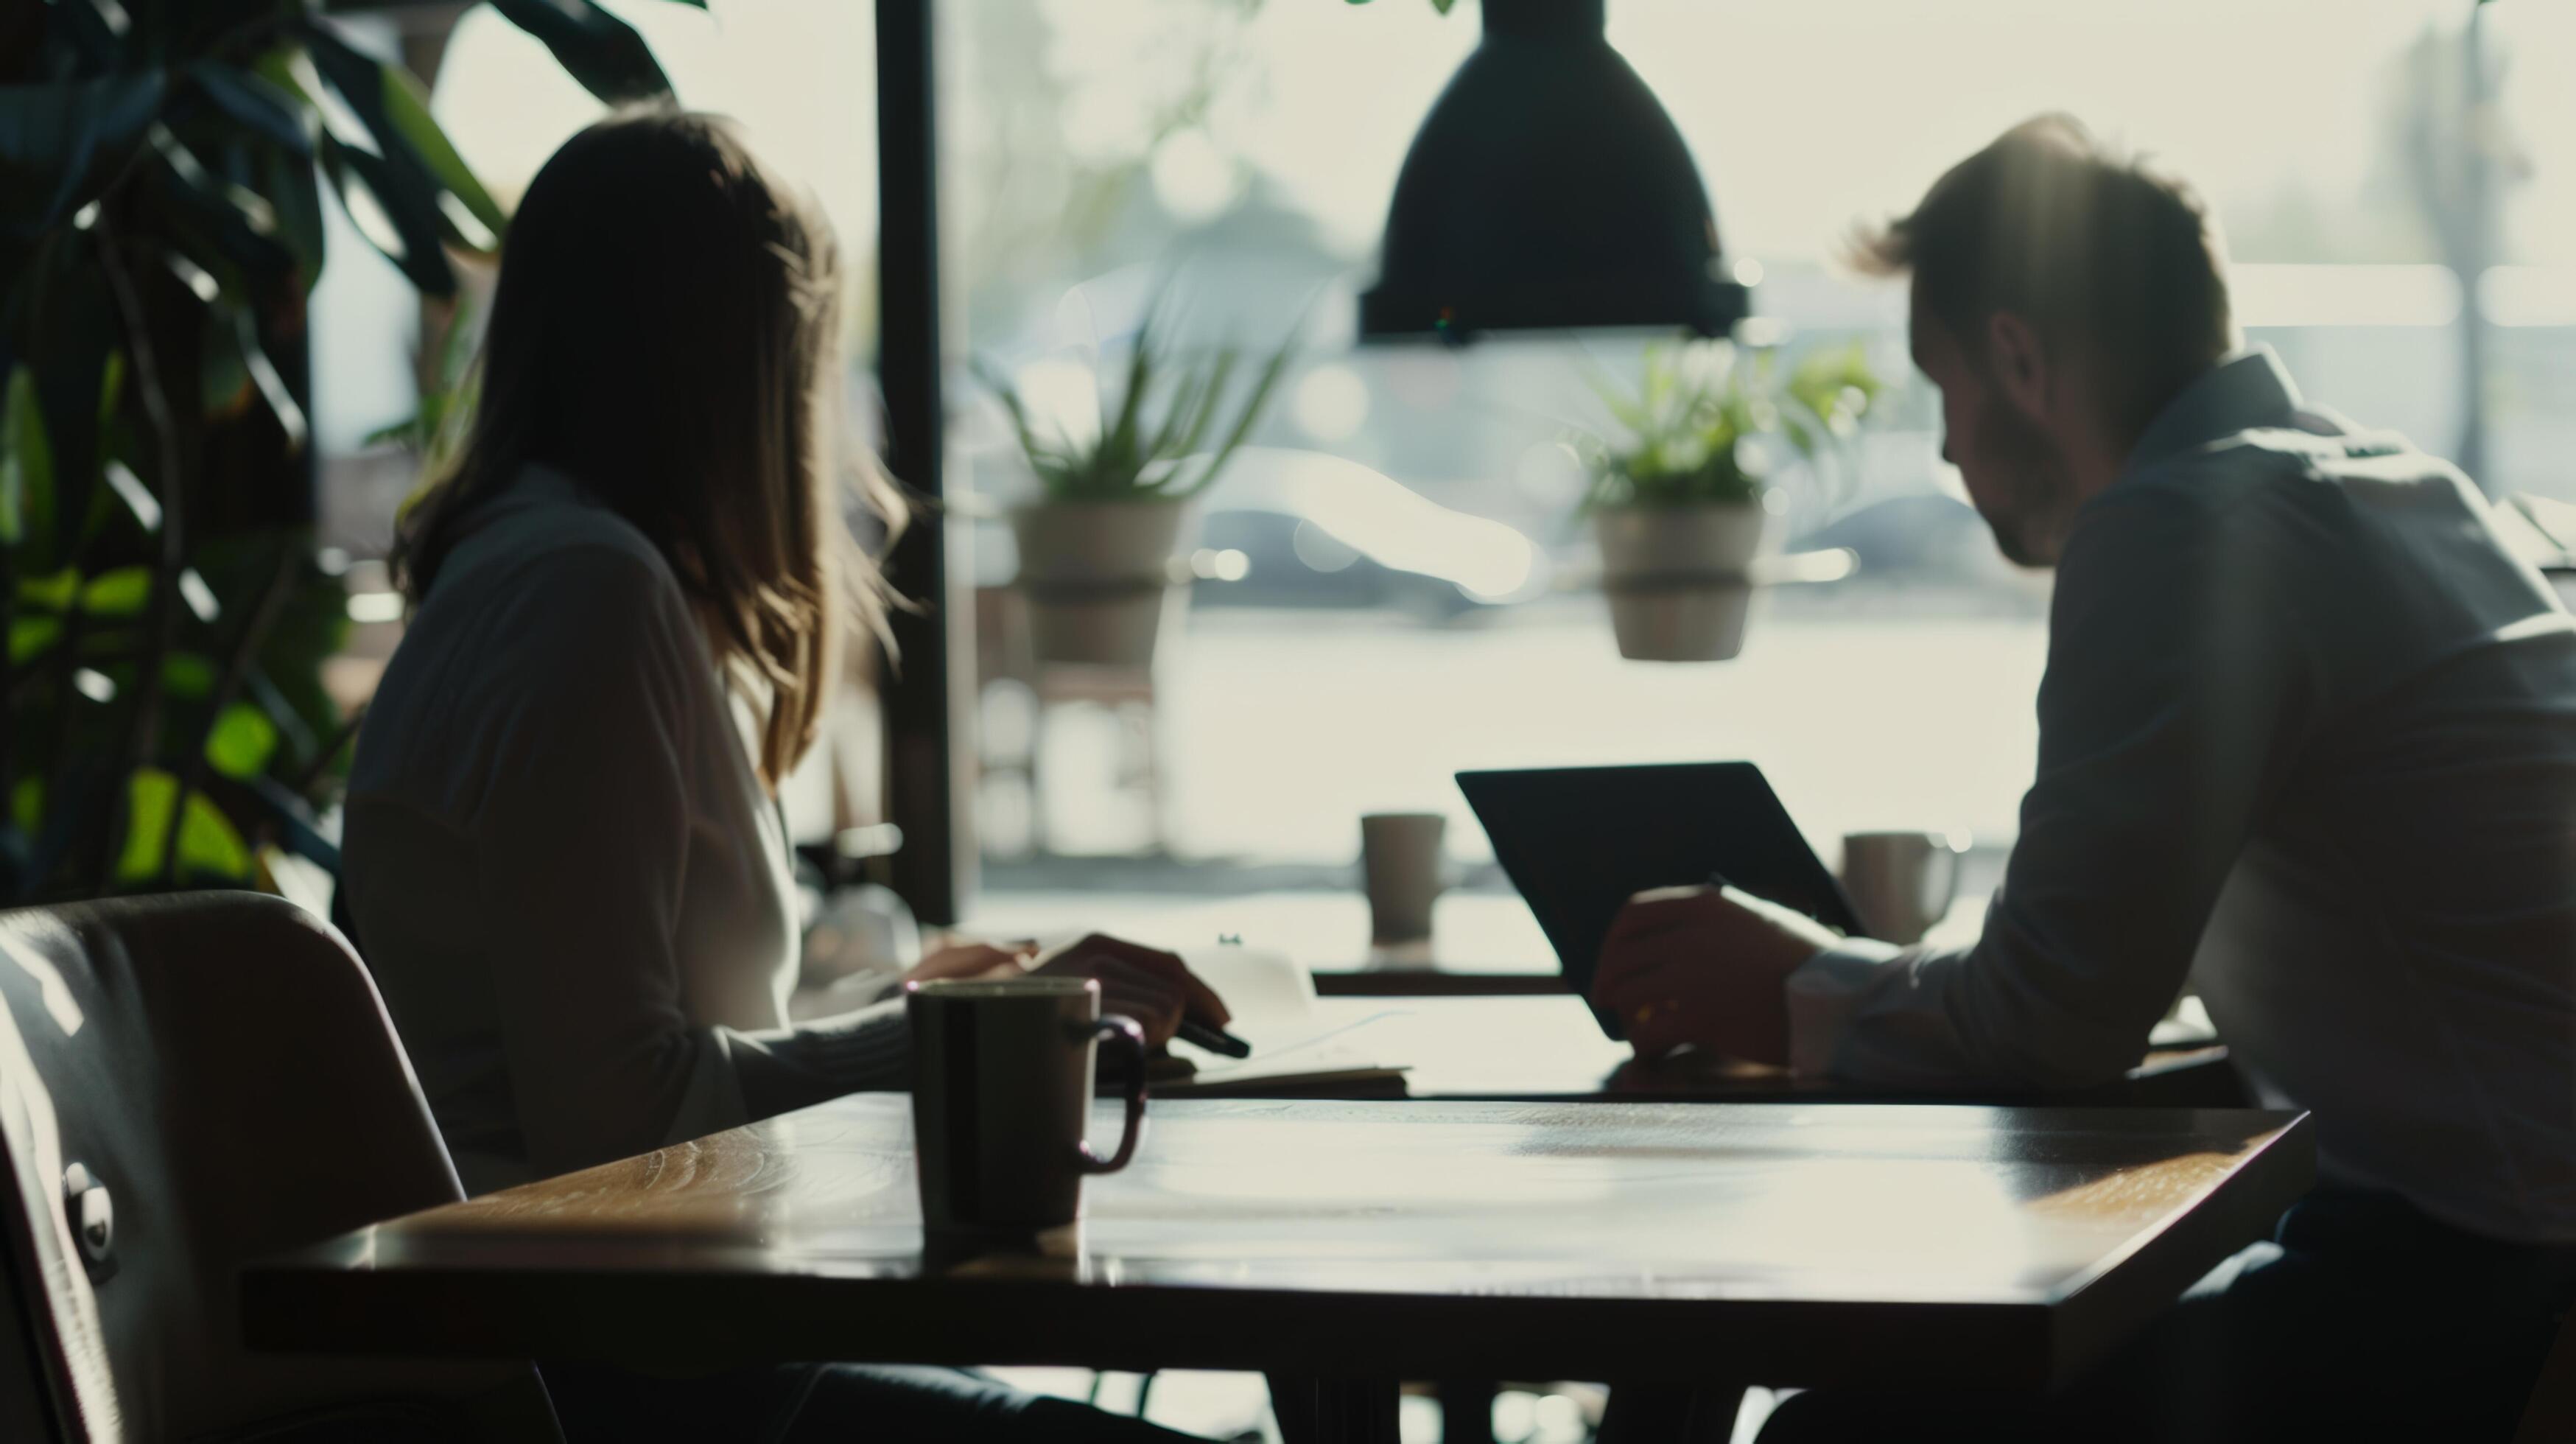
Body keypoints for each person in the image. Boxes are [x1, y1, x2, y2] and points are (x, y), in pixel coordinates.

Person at [1590, 115, 2576, 1441]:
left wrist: (1789, 987)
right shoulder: (2401, 491)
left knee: (1834, 1433)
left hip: (2483, 1275)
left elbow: (2059, 1019)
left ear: (2015, 354)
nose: (1944, 449)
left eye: (1941, 388)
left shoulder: (2181, 525)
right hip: (2511, 1254)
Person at [342, 110, 1220, 1443]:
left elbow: (632, 1029)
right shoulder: (585, 592)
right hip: (612, 1387)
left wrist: (896, 1004)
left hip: (613, 1347)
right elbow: (613, 1125)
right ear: (748, 361)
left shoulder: (539, 573)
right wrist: (963, 1042)